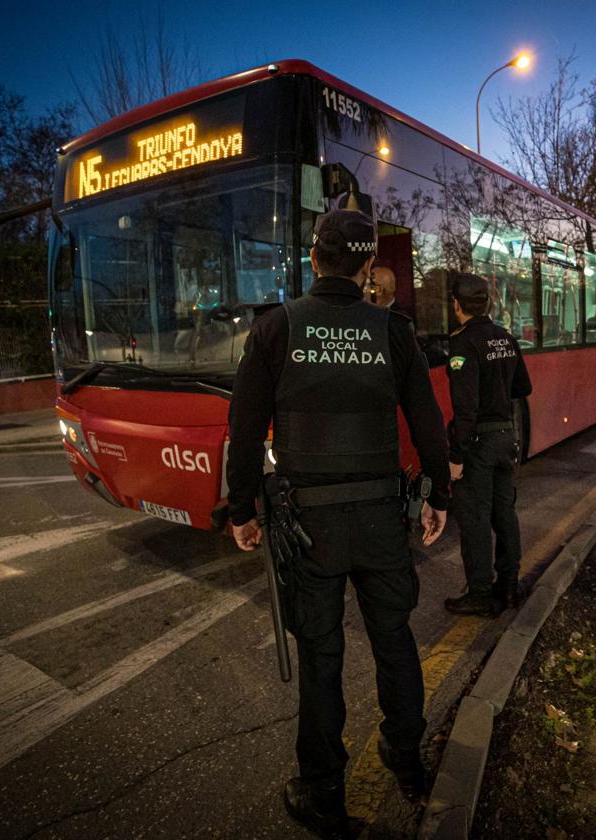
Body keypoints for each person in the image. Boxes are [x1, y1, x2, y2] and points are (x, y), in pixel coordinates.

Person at [225, 209, 450, 839]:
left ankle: (323, 792)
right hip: (381, 518)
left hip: (309, 531)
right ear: (365, 267)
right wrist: (437, 494)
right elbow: (427, 422)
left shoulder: (275, 329)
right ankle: (406, 758)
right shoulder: (393, 330)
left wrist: (240, 508)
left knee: (321, 657)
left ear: (317, 259)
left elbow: (242, 430)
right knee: (394, 639)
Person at [443, 271, 532, 617]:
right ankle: (509, 586)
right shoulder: (505, 338)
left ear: (457, 305)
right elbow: (522, 388)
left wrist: (456, 455)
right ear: (488, 303)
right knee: (505, 513)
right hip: (507, 436)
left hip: (479, 443)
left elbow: (465, 409)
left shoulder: (463, 344)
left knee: (474, 517)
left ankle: (480, 592)